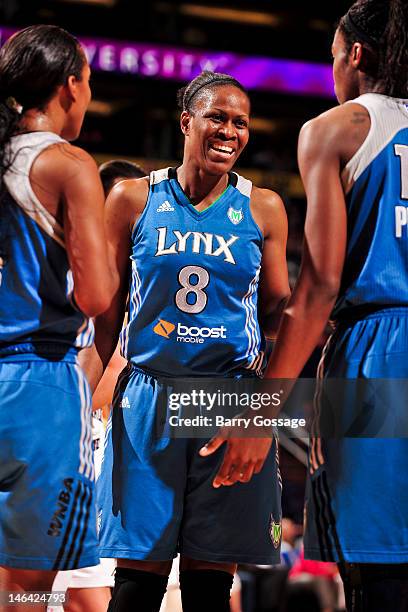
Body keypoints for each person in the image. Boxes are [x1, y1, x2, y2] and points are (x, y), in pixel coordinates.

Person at [83, 70, 290, 612]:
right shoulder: (132, 198)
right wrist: (83, 400)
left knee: (209, 587)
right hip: (148, 395)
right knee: (136, 581)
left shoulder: (263, 207)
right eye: (217, 117)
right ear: (186, 121)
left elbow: (279, 312)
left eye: (240, 122)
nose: (229, 130)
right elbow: (105, 316)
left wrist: (261, 407)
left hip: (226, 400)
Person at [249, 0, 408, 610]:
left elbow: (317, 286)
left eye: (334, 56)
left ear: (356, 56)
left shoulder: (337, 128)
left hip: (378, 351)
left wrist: (261, 409)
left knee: (374, 574)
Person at [0, 24, 118, 607]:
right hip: (38, 383)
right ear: (70, 86)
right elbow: (96, 296)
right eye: (90, 82)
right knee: (26, 589)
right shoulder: (67, 164)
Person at [48, 160, 146, 612]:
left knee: (84, 598)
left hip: (111, 478)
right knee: (29, 593)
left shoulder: (145, 314)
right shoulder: (50, 292)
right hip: (51, 461)